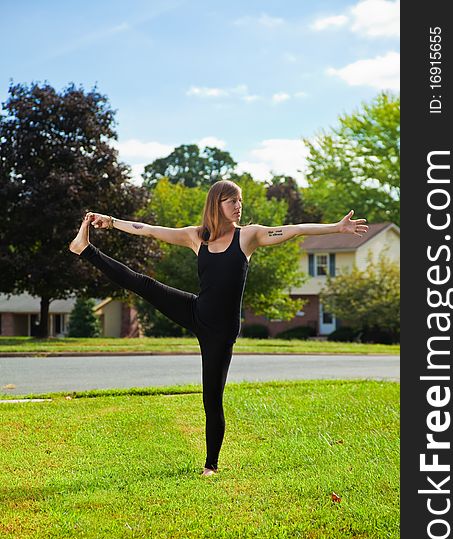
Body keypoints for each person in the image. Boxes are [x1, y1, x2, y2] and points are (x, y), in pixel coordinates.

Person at [69, 179, 368, 476]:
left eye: (239, 201)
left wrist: (335, 227)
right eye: (231, 201)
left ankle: (210, 465)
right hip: (197, 310)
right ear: (217, 204)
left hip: (221, 332)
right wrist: (110, 222)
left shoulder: (248, 237)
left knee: (211, 397)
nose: (238, 206)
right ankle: (85, 249)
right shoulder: (196, 237)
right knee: (143, 284)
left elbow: (296, 229)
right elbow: (147, 230)